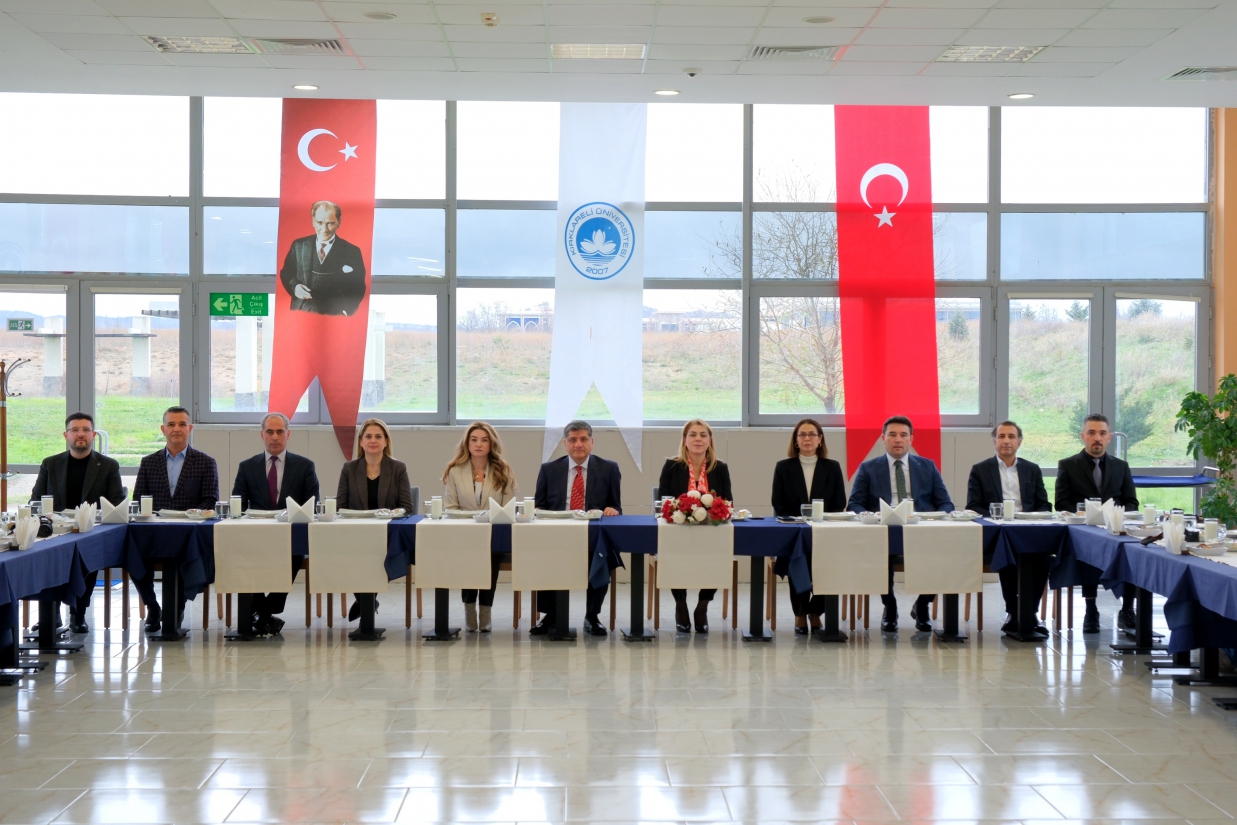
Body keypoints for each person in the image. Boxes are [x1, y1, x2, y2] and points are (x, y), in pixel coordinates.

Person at [847, 415, 955, 634]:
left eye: (904, 435)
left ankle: (922, 604)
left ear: (911, 439)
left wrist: (933, 518)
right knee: (880, 551)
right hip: (883, 529)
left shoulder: (927, 466)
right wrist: (873, 515)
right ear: (883, 438)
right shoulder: (868, 468)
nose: (898, 439)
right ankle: (890, 606)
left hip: (920, 528)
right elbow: (854, 504)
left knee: (943, 551)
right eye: (892, 435)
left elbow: (945, 503)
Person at [30, 412, 124, 634]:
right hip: (55, 531)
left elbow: (117, 505)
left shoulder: (108, 465)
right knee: (46, 557)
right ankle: (51, 614)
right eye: (75, 430)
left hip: (90, 533)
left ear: (93, 435)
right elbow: (35, 502)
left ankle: (78, 613)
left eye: (85, 430)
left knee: (87, 555)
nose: (80, 434)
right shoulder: (50, 464)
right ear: (66, 435)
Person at [131, 406, 220, 633]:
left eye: (182, 424)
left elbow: (210, 500)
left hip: (188, 534)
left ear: (190, 428)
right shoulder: (148, 462)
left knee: (186, 557)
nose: (176, 429)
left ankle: (176, 609)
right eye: (171, 424)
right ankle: (153, 607)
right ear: (163, 429)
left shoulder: (205, 462)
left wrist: (191, 515)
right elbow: (138, 499)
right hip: (154, 533)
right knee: (131, 552)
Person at [230, 412, 320, 636]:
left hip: (290, 536)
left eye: (280, 432)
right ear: (262, 435)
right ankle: (264, 615)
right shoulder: (247, 467)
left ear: (288, 434)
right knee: (243, 555)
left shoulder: (305, 466)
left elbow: (312, 504)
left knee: (295, 553)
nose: (275, 437)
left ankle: (264, 612)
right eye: (270, 432)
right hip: (256, 536)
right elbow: (237, 505)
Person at [532, 420, 622, 637]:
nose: (578, 444)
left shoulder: (609, 468)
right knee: (542, 553)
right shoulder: (549, 469)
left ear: (592, 442)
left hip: (593, 535)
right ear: (565, 444)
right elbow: (539, 506)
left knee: (603, 556)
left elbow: (616, 505)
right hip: (556, 534)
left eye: (583, 439)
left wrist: (612, 510)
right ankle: (551, 615)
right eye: (572, 440)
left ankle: (592, 616)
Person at [1054, 413, 1140, 634]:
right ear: (1083, 436)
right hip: (1084, 530)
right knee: (1088, 549)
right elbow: (1061, 503)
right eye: (1091, 433)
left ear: (1109, 437)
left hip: (1116, 530)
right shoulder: (1068, 465)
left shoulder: (1121, 466)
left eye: (1102, 433)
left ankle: (1127, 609)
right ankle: (1091, 610)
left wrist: (1116, 515)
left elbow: (1132, 502)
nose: (1097, 438)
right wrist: (1085, 513)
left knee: (1133, 552)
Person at [966, 420, 1052, 636]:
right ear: (994, 441)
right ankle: (1014, 612)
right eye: (1001, 436)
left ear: (1019, 442)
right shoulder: (980, 470)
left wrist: (1031, 519)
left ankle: (1029, 612)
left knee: (1044, 558)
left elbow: (1044, 505)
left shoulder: (1032, 469)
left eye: (1011, 437)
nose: (1006, 441)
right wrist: (997, 517)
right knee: (1007, 555)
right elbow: (973, 507)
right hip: (998, 533)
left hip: (1028, 530)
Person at [770, 418, 847, 635]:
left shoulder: (832, 467)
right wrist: (799, 522)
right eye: (802, 434)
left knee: (827, 564)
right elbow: (778, 503)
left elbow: (839, 502)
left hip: (825, 532)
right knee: (797, 558)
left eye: (812, 434)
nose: (807, 438)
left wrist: (820, 522)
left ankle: (816, 612)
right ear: (795, 440)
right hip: (794, 533)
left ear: (820, 439)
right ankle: (800, 613)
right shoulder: (783, 467)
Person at [442, 422, 520, 633]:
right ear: (467, 443)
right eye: (474, 440)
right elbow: (450, 507)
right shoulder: (455, 471)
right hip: (464, 533)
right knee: (470, 555)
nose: (478, 444)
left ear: (491, 444)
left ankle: (485, 611)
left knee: (491, 554)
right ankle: (469, 610)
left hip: (494, 533)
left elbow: (508, 507)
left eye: (484, 440)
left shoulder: (503, 470)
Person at [658, 419, 733, 634]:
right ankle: (680, 604)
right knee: (673, 551)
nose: (698, 439)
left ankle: (703, 605)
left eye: (703, 435)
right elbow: (664, 502)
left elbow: (728, 502)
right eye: (693, 435)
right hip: (679, 531)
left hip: (711, 532)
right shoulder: (672, 466)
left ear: (710, 440)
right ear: (685, 440)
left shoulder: (720, 468)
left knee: (720, 553)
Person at [337, 418, 414, 622]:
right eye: (368, 436)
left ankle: (365, 604)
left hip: (387, 534)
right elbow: (340, 506)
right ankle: (367, 603)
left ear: (386, 441)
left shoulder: (398, 468)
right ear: (361, 441)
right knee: (351, 552)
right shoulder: (349, 468)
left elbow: (407, 507)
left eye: (378, 436)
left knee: (373, 553)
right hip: (356, 533)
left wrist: (391, 513)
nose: (373, 440)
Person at [279, 200, 366, 317]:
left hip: (335, 316)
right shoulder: (298, 245)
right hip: (300, 315)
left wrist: (346, 311)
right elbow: (286, 273)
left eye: (330, 223)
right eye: (319, 222)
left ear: (339, 223)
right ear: (313, 222)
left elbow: (358, 286)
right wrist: (295, 287)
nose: (324, 229)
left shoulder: (352, 251)